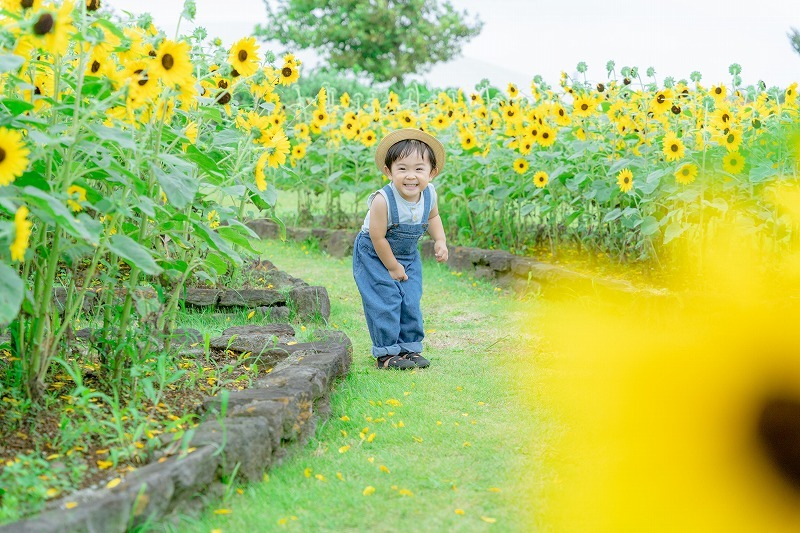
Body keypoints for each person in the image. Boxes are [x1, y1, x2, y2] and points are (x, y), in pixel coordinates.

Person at [352, 128, 449, 369]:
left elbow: (434, 217)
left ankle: (409, 348)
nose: (411, 176)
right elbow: (378, 237)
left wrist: (440, 241)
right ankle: (386, 353)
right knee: (385, 299)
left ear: (432, 172)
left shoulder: (429, 195)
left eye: (419, 169)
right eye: (402, 168)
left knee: (411, 299)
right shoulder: (382, 201)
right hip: (375, 253)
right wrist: (393, 267)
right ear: (388, 171)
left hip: (407, 253)